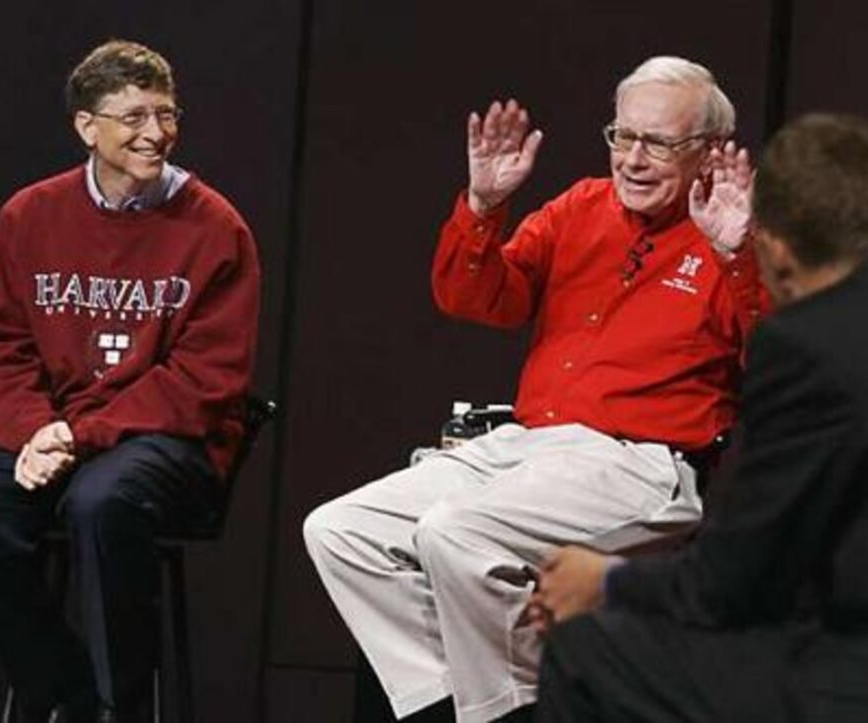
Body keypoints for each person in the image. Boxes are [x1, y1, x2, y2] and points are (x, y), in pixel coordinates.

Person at [303, 56, 768, 722]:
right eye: (622, 136)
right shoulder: (580, 205)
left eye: (658, 143)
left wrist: (737, 259)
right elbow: (477, 298)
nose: (633, 159)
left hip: (639, 462)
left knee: (453, 533)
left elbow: (783, 365)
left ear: (710, 153)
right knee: (341, 530)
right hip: (531, 445)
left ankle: (509, 711)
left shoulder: (735, 238)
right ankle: (453, 705)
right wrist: (484, 207)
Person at [533, 113, 868, 723]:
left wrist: (605, 582)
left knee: (589, 652)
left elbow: (731, 580)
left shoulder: (809, 344)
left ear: (770, 250)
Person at [0, 39, 260, 723]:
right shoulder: (30, 215)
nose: (156, 133)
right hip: (53, 431)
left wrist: (80, 435)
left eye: (166, 114)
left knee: (102, 501)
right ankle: (68, 687)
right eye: (134, 117)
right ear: (88, 127)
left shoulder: (217, 228)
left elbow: (203, 381)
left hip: (167, 442)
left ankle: (122, 710)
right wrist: (36, 430)